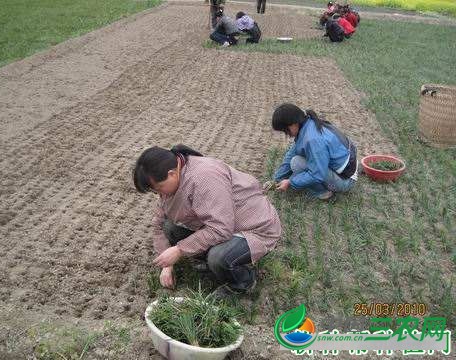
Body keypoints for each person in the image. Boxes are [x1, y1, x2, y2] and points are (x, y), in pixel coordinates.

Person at [133, 145, 281, 298]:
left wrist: (179, 250)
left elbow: (221, 229)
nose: (159, 194)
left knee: (218, 257)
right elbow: (159, 223)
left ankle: (242, 283)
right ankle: (212, 262)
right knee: (169, 227)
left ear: (171, 174)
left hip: (253, 227)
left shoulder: (203, 178)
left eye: (158, 189)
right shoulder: (175, 178)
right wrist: (167, 264)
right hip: (223, 223)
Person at [271, 103, 358, 200]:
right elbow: (292, 153)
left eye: (285, 130)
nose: (286, 134)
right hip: (346, 168)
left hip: (345, 181)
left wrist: (290, 182)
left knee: (297, 163)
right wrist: (276, 179)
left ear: (293, 123)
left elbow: (317, 174)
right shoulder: (307, 122)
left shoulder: (313, 139)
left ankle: (323, 193)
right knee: (295, 160)